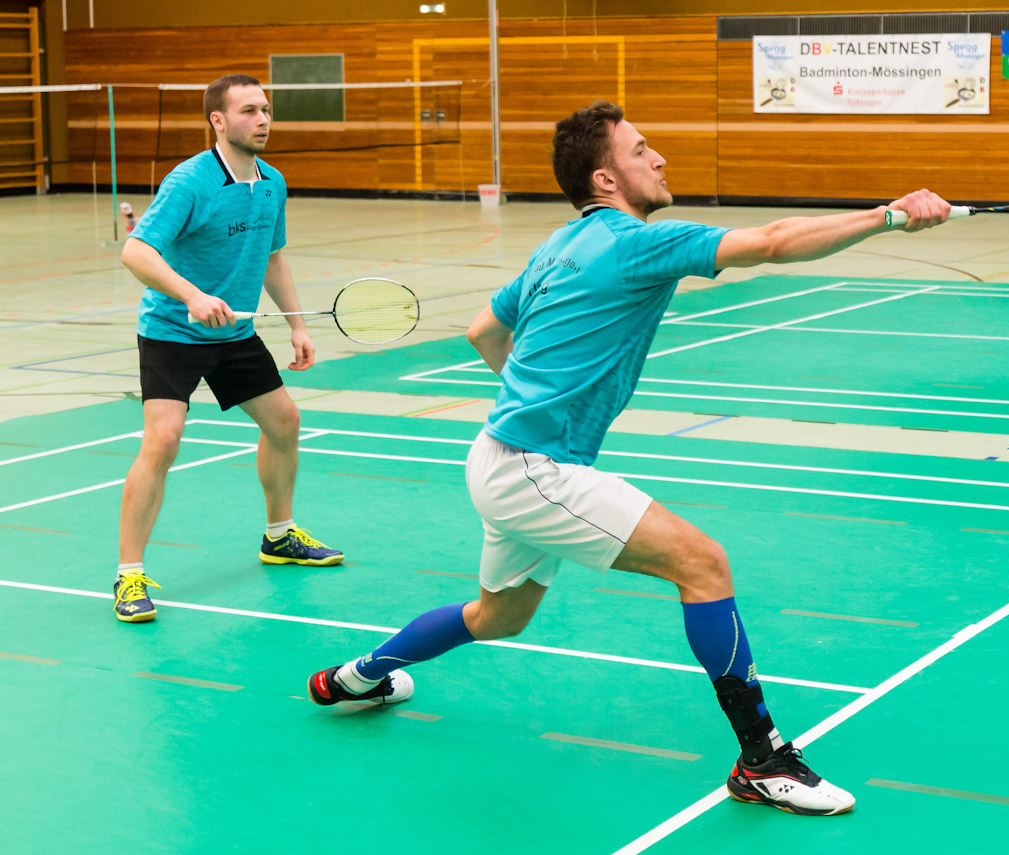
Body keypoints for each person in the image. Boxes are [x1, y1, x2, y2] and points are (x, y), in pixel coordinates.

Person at [306, 101, 948, 815]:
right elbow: (769, 242)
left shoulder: (558, 246)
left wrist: (533, 394)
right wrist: (891, 215)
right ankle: (762, 761)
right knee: (702, 564)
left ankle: (356, 677)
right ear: (607, 179)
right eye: (642, 150)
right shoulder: (635, 243)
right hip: (536, 469)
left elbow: (482, 330)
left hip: (497, 456)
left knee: (497, 617)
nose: (660, 158)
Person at [113, 74, 343, 624]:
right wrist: (192, 296)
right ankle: (129, 575)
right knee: (163, 440)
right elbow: (136, 252)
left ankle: (279, 536)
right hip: (173, 331)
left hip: (235, 333)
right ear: (218, 120)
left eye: (266, 109)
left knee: (284, 422)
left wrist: (297, 326)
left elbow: (273, 257)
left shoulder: (272, 182)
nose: (262, 120)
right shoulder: (190, 181)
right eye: (248, 111)